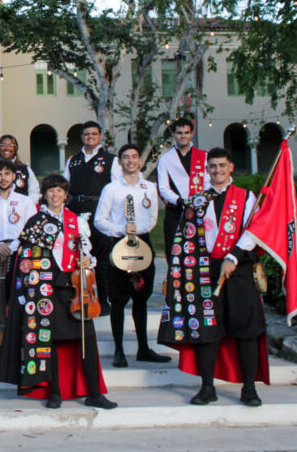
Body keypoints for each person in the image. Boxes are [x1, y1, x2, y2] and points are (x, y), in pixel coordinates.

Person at [158, 148, 269, 407]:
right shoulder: (197, 200)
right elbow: (184, 237)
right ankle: (207, 388)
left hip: (238, 268)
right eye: (213, 166)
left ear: (231, 167)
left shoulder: (246, 197)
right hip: (203, 271)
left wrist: (234, 256)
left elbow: (253, 231)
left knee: (245, 329)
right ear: (207, 170)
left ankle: (249, 388)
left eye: (222, 165)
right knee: (206, 328)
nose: (217, 170)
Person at [0, 174, 117, 410]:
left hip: (74, 289)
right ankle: (55, 392)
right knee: (49, 341)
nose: (55, 195)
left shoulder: (76, 221)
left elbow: (87, 252)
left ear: (65, 194)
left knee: (86, 340)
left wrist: (87, 260)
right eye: (51, 190)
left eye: (59, 190)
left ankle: (94, 393)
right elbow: (25, 256)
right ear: (44, 194)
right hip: (47, 290)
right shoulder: (35, 222)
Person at [94, 143, 171, 368]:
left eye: (134, 157)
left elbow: (152, 217)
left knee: (141, 298)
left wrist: (139, 229)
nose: (130, 161)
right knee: (118, 300)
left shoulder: (149, 187)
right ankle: (119, 350)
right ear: (119, 162)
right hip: (119, 244)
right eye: (126, 157)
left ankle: (143, 348)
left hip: (142, 243)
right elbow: (99, 220)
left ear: (140, 161)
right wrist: (120, 230)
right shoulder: (111, 189)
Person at [62, 121, 121, 314]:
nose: (90, 137)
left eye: (94, 134)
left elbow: (117, 188)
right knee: (76, 256)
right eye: (87, 134)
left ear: (100, 136)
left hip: (99, 212)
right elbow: (64, 186)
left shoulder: (111, 160)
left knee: (102, 259)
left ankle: (103, 301)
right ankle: (76, 300)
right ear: (82, 136)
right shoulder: (73, 161)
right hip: (76, 211)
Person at [0, 158, 36, 310]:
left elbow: (31, 230)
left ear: (14, 176)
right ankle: (0, 323)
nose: (3, 178)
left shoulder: (26, 201)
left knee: (20, 299)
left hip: (20, 253)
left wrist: (13, 246)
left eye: (7, 174)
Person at [157, 118, 210, 261]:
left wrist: (199, 200)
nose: (183, 136)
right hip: (175, 211)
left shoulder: (203, 156)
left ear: (192, 134)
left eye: (186, 132)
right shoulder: (165, 159)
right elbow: (163, 188)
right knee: (174, 252)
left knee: (198, 251)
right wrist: (179, 200)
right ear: (174, 134)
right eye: (179, 133)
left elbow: (208, 182)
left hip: (199, 211)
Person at [0, 135, 40, 204]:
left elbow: (35, 193)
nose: (7, 148)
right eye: (3, 145)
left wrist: (24, 205)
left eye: (11, 145)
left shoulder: (25, 169)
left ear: (16, 148)